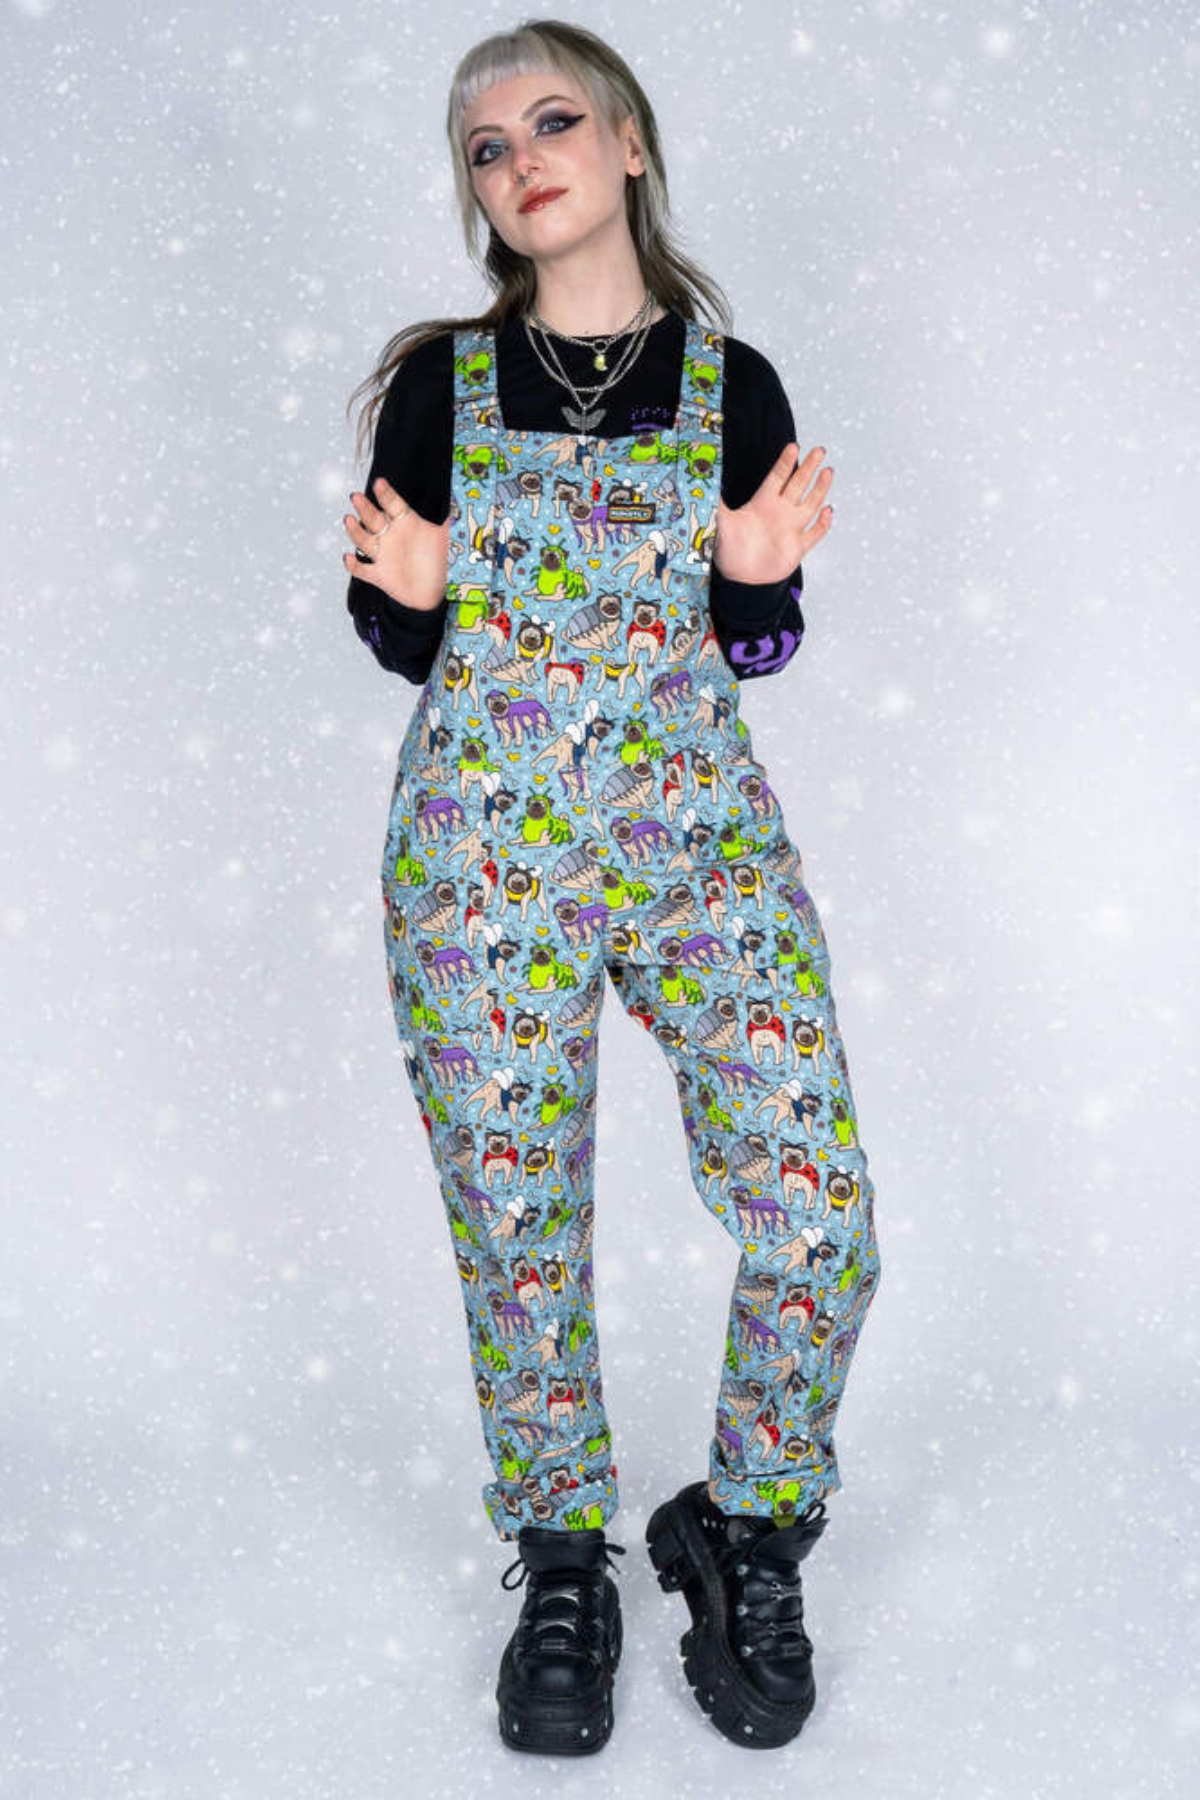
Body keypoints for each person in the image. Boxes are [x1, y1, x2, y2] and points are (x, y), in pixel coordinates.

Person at [341, 17, 882, 1759]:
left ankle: (746, 1525)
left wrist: (756, 579)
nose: (522, 163)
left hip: (694, 842)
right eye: (486, 149)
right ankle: (565, 1557)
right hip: (484, 851)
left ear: (631, 142)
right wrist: (422, 593)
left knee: (818, 1209)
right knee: (517, 1223)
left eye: (553, 122)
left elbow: (756, 645)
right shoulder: (439, 386)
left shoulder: (736, 386)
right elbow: (393, 636)